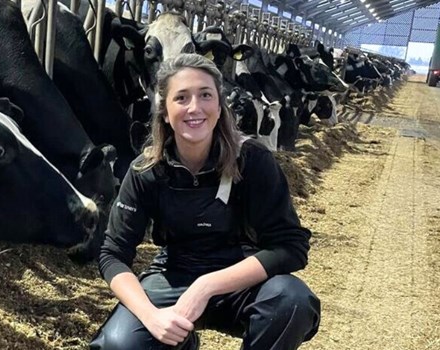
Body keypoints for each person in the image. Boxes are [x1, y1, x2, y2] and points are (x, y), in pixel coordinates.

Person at [89, 53, 320, 350]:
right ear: (164, 110)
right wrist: (151, 317)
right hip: (173, 277)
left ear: (219, 104)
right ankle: (182, 343)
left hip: (242, 278)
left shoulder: (252, 160)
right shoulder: (147, 170)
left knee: (292, 301)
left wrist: (207, 285)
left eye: (205, 95)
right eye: (181, 98)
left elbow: (291, 247)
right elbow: (113, 255)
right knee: (118, 344)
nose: (195, 108)